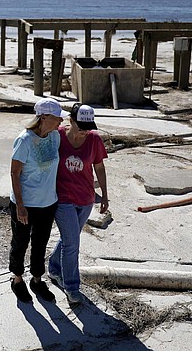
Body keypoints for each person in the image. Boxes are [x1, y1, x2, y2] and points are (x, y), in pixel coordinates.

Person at [48, 103, 109, 306]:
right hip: (62, 198)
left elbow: (99, 168)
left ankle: (55, 268)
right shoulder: (56, 136)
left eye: (88, 127)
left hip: (86, 199)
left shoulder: (94, 140)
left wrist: (105, 196)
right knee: (73, 243)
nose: (84, 132)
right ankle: (72, 287)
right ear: (71, 121)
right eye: (81, 127)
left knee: (69, 240)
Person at [8, 98, 63, 303]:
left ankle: (37, 279)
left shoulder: (55, 137)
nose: (60, 121)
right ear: (44, 117)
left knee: (41, 243)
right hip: (26, 204)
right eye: (57, 117)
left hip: (48, 203)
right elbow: (15, 174)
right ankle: (17, 279)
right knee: (20, 242)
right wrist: (20, 207)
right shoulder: (24, 140)